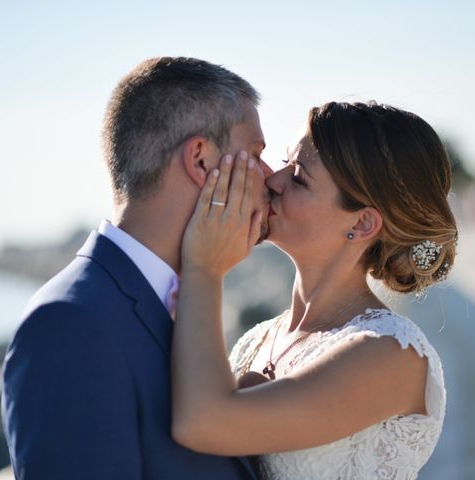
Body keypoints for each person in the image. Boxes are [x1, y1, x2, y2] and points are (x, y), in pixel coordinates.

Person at [1, 57, 272, 479]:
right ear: (200, 161)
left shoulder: (183, 298)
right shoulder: (69, 325)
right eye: (256, 155)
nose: (272, 178)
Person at [171, 101, 458, 479]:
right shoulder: (257, 340)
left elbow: (202, 422)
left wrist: (203, 268)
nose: (273, 180)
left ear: (362, 222)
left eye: (299, 178)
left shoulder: (390, 353)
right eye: (285, 162)